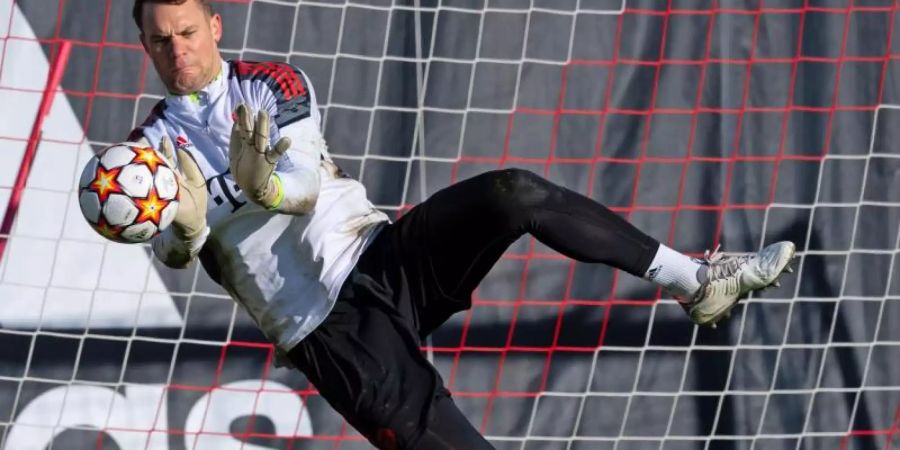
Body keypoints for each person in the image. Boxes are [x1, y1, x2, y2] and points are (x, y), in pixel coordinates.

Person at [128, 0, 796, 448]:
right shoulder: (148, 155)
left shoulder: (271, 84)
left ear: (214, 26)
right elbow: (177, 256)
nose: (176, 49)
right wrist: (186, 230)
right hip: (325, 330)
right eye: (161, 40)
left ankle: (697, 278)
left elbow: (302, 189)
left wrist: (264, 185)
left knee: (513, 193)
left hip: (380, 253)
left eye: (187, 31)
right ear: (146, 47)